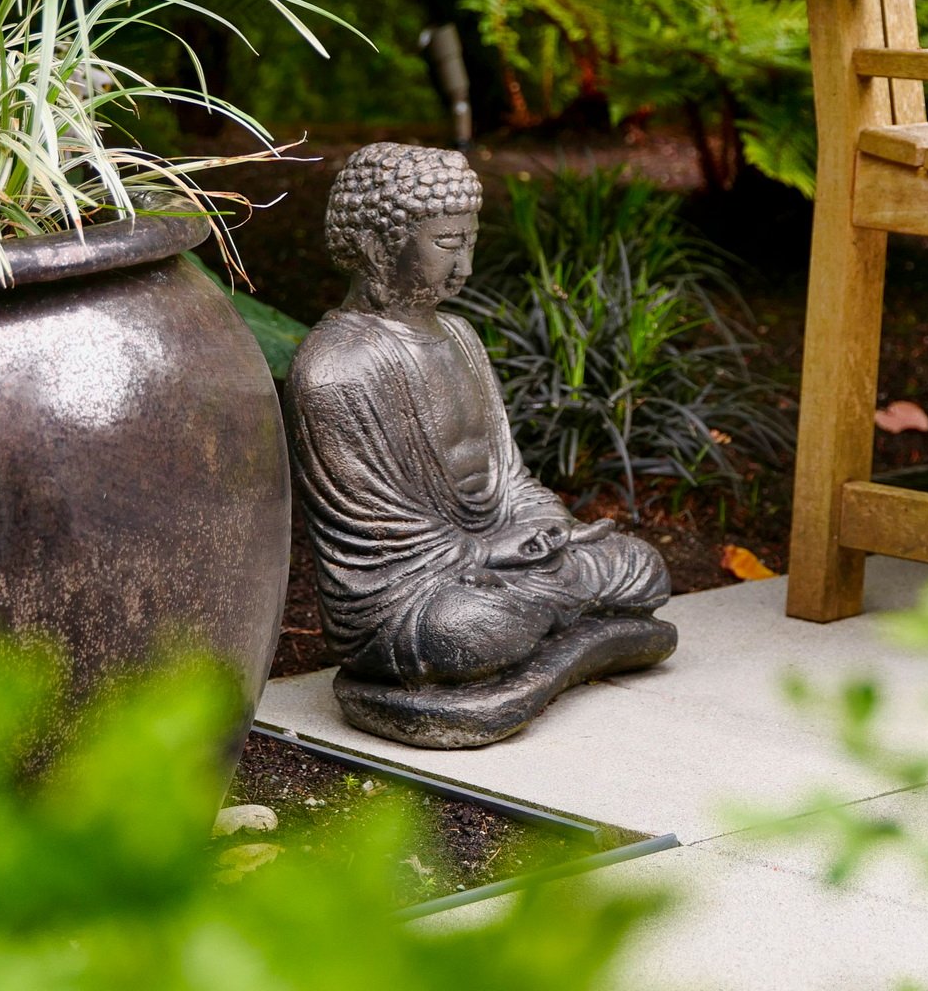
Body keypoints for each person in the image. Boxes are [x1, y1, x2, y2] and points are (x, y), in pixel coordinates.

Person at [285, 143, 670, 688]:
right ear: (375, 247)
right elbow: (373, 535)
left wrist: (546, 524)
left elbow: (508, 475)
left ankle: (540, 621)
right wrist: (487, 552)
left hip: (501, 559)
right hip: (412, 593)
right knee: (469, 628)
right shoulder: (336, 366)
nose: (464, 267)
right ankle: (541, 626)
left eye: (470, 243)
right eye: (447, 244)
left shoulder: (461, 336)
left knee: (638, 565)